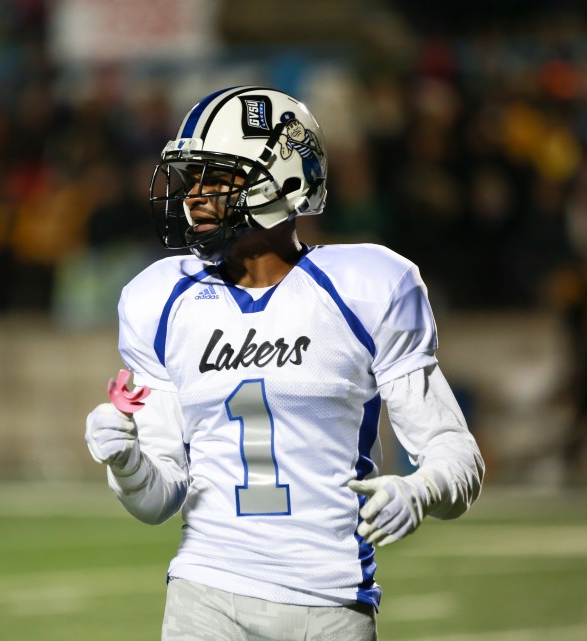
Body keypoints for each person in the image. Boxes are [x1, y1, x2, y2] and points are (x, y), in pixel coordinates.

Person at [84, 87, 484, 641]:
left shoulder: (367, 287)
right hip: (203, 592)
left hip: (330, 600)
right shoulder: (159, 299)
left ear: (284, 181)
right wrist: (127, 462)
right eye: (191, 178)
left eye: (216, 178)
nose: (193, 196)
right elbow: (158, 500)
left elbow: (456, 454)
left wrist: (422, 490)